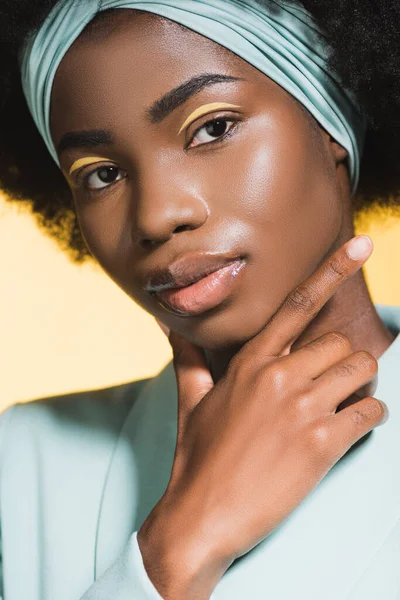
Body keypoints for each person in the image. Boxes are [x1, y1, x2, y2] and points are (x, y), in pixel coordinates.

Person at [0, 0, 399, 598]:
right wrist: (177, 548)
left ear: (331, 124)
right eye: (101, 174)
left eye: (212, 128)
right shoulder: (26, 460)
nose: (158, 216)